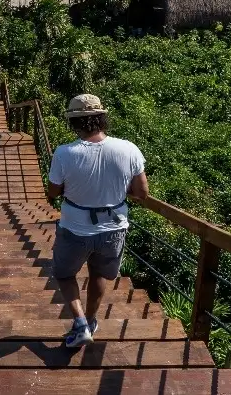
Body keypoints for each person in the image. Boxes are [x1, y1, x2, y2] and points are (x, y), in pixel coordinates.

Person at [47, 94, 149, 349]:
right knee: (99, 274)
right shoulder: (128, 148)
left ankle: (80, 323)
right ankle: (91, 320)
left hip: (75, 228)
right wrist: (113, 189)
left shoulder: (64, 153)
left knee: (63, 273)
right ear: (102, 119)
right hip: (113, 227)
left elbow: (53, 192)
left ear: (74, 123)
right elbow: (141, 193)